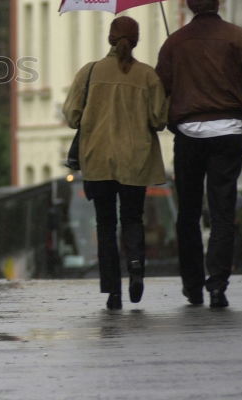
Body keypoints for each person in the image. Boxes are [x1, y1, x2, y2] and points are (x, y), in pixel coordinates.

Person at [155, 0, 242, 309]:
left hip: (189, 136)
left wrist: (170, 121)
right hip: (228, 132)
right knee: (223, 211)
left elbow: (157, 94)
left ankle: (192, 286)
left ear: (188, 4)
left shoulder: (174, 43)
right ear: (218, 1)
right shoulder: (239, 39)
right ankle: (218, 285)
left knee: (189, 213)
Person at [63, 16, 168, 310]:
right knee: (133, 219)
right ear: (136, 41)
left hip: (97, 161)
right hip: (136, 161)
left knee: (105, 223)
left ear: (110, 39)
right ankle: (135, 267)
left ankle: (113, 290)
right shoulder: (148, 76)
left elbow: (72, 117)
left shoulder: (90, 72)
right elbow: (160, 120)